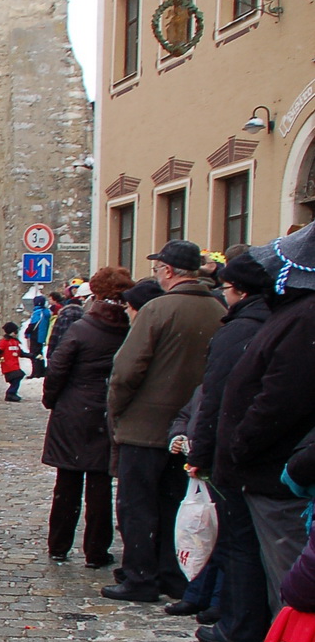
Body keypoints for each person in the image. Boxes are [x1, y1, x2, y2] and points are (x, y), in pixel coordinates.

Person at [104, 240, 225, 602]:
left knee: (138, 506)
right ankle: (174, 574)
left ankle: (141, 576)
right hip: (192, 425)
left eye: (159, 268)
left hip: (147, 426)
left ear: (169, 272)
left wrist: (117, 410)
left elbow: (126, 370)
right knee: (176, 503)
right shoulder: (218, 309)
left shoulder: (158, 309)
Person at [213, 224, 315, 627]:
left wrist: (243, 443)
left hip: (278, 470)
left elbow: (281, 398)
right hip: (271, 465)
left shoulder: (304, 319)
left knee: (291, 580)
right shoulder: (294, 315)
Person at [185, 253, 272, 642]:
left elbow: (214, 398)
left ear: (236, 290)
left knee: (238, 541)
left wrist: (200, 452)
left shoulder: (237, 332)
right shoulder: (273, 321)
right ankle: (236, 614)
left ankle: (239, 623)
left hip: (238, 448)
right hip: (264, 447)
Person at [41, 267, 133, 569]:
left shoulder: (84, 327)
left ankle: (59, 544)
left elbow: (57, 367)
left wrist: (52, 399)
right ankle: (96, 550)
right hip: (106, 410)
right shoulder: (128, 328)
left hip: (73, 410)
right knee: (99, 485)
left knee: (67, 484)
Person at [25, 294, 52, 377]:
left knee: (34, 353)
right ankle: (41, 370)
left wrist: (27, 332)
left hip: (35, 335)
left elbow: (34, 323)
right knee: (39, 353)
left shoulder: (38, 312)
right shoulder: (46, 312)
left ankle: (36, 372)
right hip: (41, 335)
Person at [0, 323, 25, 401]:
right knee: (18, 376)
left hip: (15, 365)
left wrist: (33, 356)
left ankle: (12, 392)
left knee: (18, 377)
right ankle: (10, 393)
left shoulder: (15, 342)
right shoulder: (4, 342)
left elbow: (21, 353)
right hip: (8, 365)